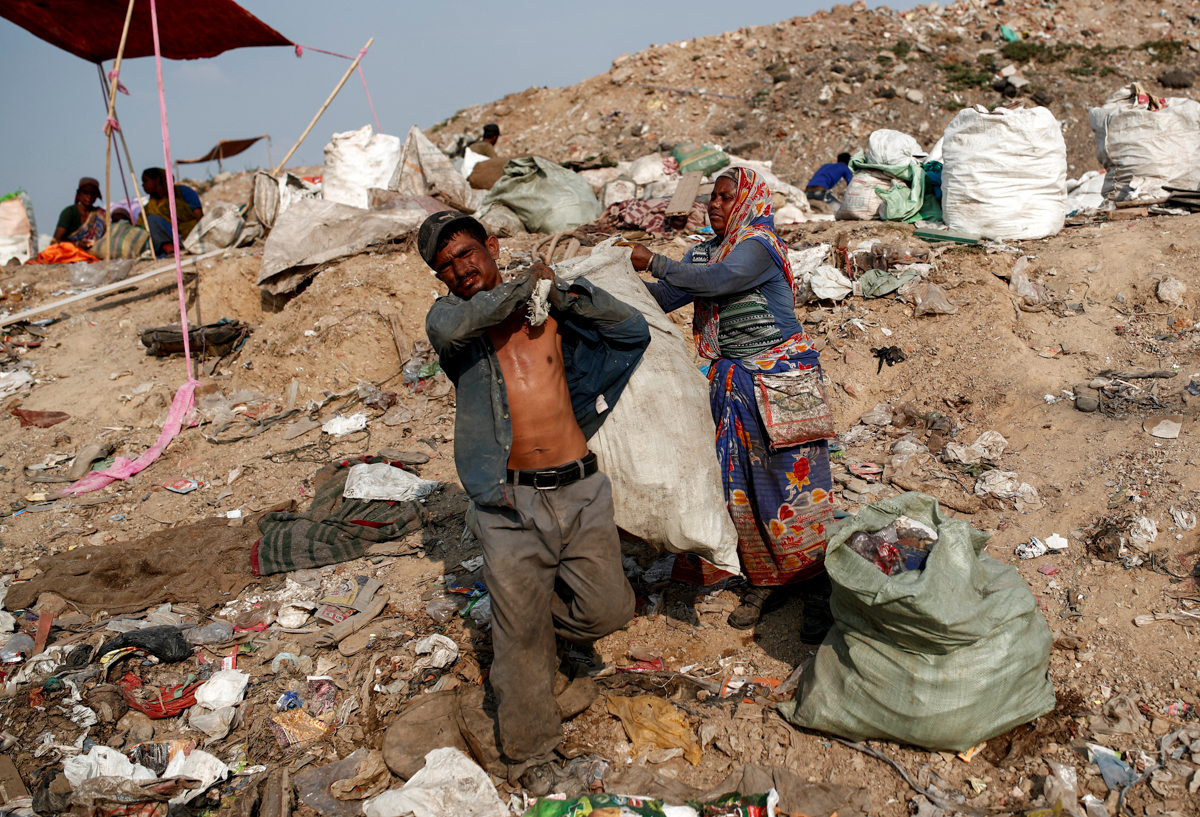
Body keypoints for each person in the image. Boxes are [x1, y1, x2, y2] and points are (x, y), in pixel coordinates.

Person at [422, 211, 649, 792]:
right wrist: (529, 284)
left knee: (608, 611)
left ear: (492, 246)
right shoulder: (453, 321)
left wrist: (563, 294)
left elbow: (631, 330)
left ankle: (526, 626)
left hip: (581, 489)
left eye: (467, 253)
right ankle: (530, 755)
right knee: (520, 640)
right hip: (510, 503)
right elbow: (461, 324)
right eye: (446, 265)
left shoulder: (549, 312)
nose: (460, 269)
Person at [628, 167, 835, 640]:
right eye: (712, 198)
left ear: (749, 201)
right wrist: (604, 287)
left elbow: (722, 280)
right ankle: (765, 581)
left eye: (726, 197)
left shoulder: (758, 246)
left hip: (780, 383)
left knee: (792, 486)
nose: (715, 205)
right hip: (736, 385)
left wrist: (654, 260)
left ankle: (818, 585)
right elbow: (666, 297)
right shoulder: (705, 253)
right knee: (743, 487)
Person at [141, 168, 203, 257]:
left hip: (192, 234)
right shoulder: (150, 206)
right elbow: (140, 224)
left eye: (145, 181)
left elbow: (198, 215)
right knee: (151, 219)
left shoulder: (183, 192)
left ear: (157, 180)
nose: (143, 185)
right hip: (171, 238)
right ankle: (168, 247)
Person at [52, 177, 105, 247]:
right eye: (85, 193)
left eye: (92, 193)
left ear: (96, 195)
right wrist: (77, 244)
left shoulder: (101, 214)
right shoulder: (69, 212)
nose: (89, 196)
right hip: (71, 251)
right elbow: (55, 241)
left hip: (94, 251)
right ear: (79, 193)